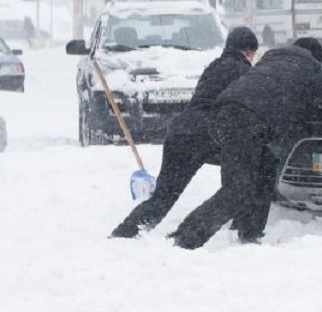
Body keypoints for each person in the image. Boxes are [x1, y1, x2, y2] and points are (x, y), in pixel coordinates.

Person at [168, 37, 322, 249]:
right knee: (238, 189)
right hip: (246, 122)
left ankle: (250, 234)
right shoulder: (313, 71)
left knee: (265, 171)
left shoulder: (269, 62)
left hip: (222, 114)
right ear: (317, 58)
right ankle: (186, 237)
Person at [110, 26, 261, 239]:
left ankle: (124, 234)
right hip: (208, 135)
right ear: (248, 51)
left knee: (163, 197)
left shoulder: (213, 67)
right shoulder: (244, 72)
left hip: (180, 132)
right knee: (239, 180)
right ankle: (221, 227)